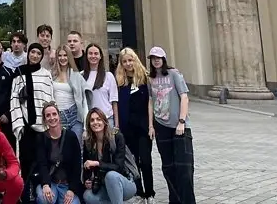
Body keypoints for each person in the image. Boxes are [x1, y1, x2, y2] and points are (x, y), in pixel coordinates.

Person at [147, 47, 194, 204]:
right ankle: (174, 200)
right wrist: (151, 126)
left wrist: (181, 121)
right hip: (161, 126)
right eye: (153, 58)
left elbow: (184, 97)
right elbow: (150, 101)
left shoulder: (174, 74)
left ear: (164, 59)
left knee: (184, 169)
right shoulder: (150, 78)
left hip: (179, 127)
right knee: (168, 168)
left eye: (159, 57)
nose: (156, 60)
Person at [10, 43, 54, 202]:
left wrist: (51, 122)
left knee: (42, 161)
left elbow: (50, 98)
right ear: (28, 53)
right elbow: (14, 100)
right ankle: (25, 196)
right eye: (32, 52)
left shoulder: (46, 74)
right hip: (26, 126)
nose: (35, 55)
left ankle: (41, 194)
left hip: (43, 126)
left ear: (42, 56)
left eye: (38, 53)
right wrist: (19, 124)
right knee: (26, 163)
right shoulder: (19, 72)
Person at [114, 48, 154, 204]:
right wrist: (117, 125)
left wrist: (151, 125)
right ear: (121, 64)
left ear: (135, 60)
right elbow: (115, 104)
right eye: (124, 61)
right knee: (133, 162)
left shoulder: (145, 78)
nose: (128, 63)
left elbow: (150, 103)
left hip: (143, 127)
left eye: (130, 60)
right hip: (127, 127)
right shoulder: (119, 82)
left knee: (146, 160)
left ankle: (150, 193)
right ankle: (139, 192)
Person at [82, 108, 136, 204]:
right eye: (92, 120)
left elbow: (118, 167)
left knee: (111, 176)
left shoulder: (117, 137)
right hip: (103, 185)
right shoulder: (88, 142)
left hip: (125, 183)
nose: (95, 122)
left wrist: (98, 163)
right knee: (88, 196)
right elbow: (86, 167)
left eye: (98, 119)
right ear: (88, 124)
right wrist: (87, 180)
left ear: (104, 121)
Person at [35, 102, 83, 204]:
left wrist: (72, 189)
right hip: (50, 183)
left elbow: (77, 165)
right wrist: (45, 185)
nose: (52, 118)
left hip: (66, 185)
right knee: (44, 199)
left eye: (54, 114)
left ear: (59, 115)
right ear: (44, 120)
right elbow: (42, 164)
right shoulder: (42, 138)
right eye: (48, 115)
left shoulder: (71, 137)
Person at [51, 45, 88, 143]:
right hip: (58, 116)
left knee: (77, 150)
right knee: (59, 150)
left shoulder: (76, 75)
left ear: (69, 57)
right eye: (60, 55)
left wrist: (85, 127)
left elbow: (84, 102)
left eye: (65, 55)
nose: (62, 58)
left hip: (74, 115)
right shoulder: (51, 74)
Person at [81, 44, 118, 123]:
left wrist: (116, 124)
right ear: (86, 56)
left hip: (107, 119)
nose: (93, 56)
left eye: (96, 53)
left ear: (100, 56)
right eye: (90, 53)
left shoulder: (108, 76)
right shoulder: (81, 76)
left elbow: (114, 101)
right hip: (89, 121)